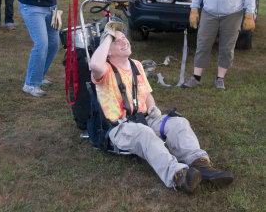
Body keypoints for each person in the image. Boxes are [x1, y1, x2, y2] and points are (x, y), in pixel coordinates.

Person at [90, 21, 234, 194]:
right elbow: (95, 65)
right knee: (145, 134)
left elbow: (146, 94)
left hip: (145, 119)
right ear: (108, 51)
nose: (124, 41)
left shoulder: (136, 65)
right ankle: (179, 176)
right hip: (120, 127)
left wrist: (152, 108)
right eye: (116, 41)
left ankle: (201, 165)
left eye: (124, 38)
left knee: (178, 123)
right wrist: (108, 36)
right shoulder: (103, 70)